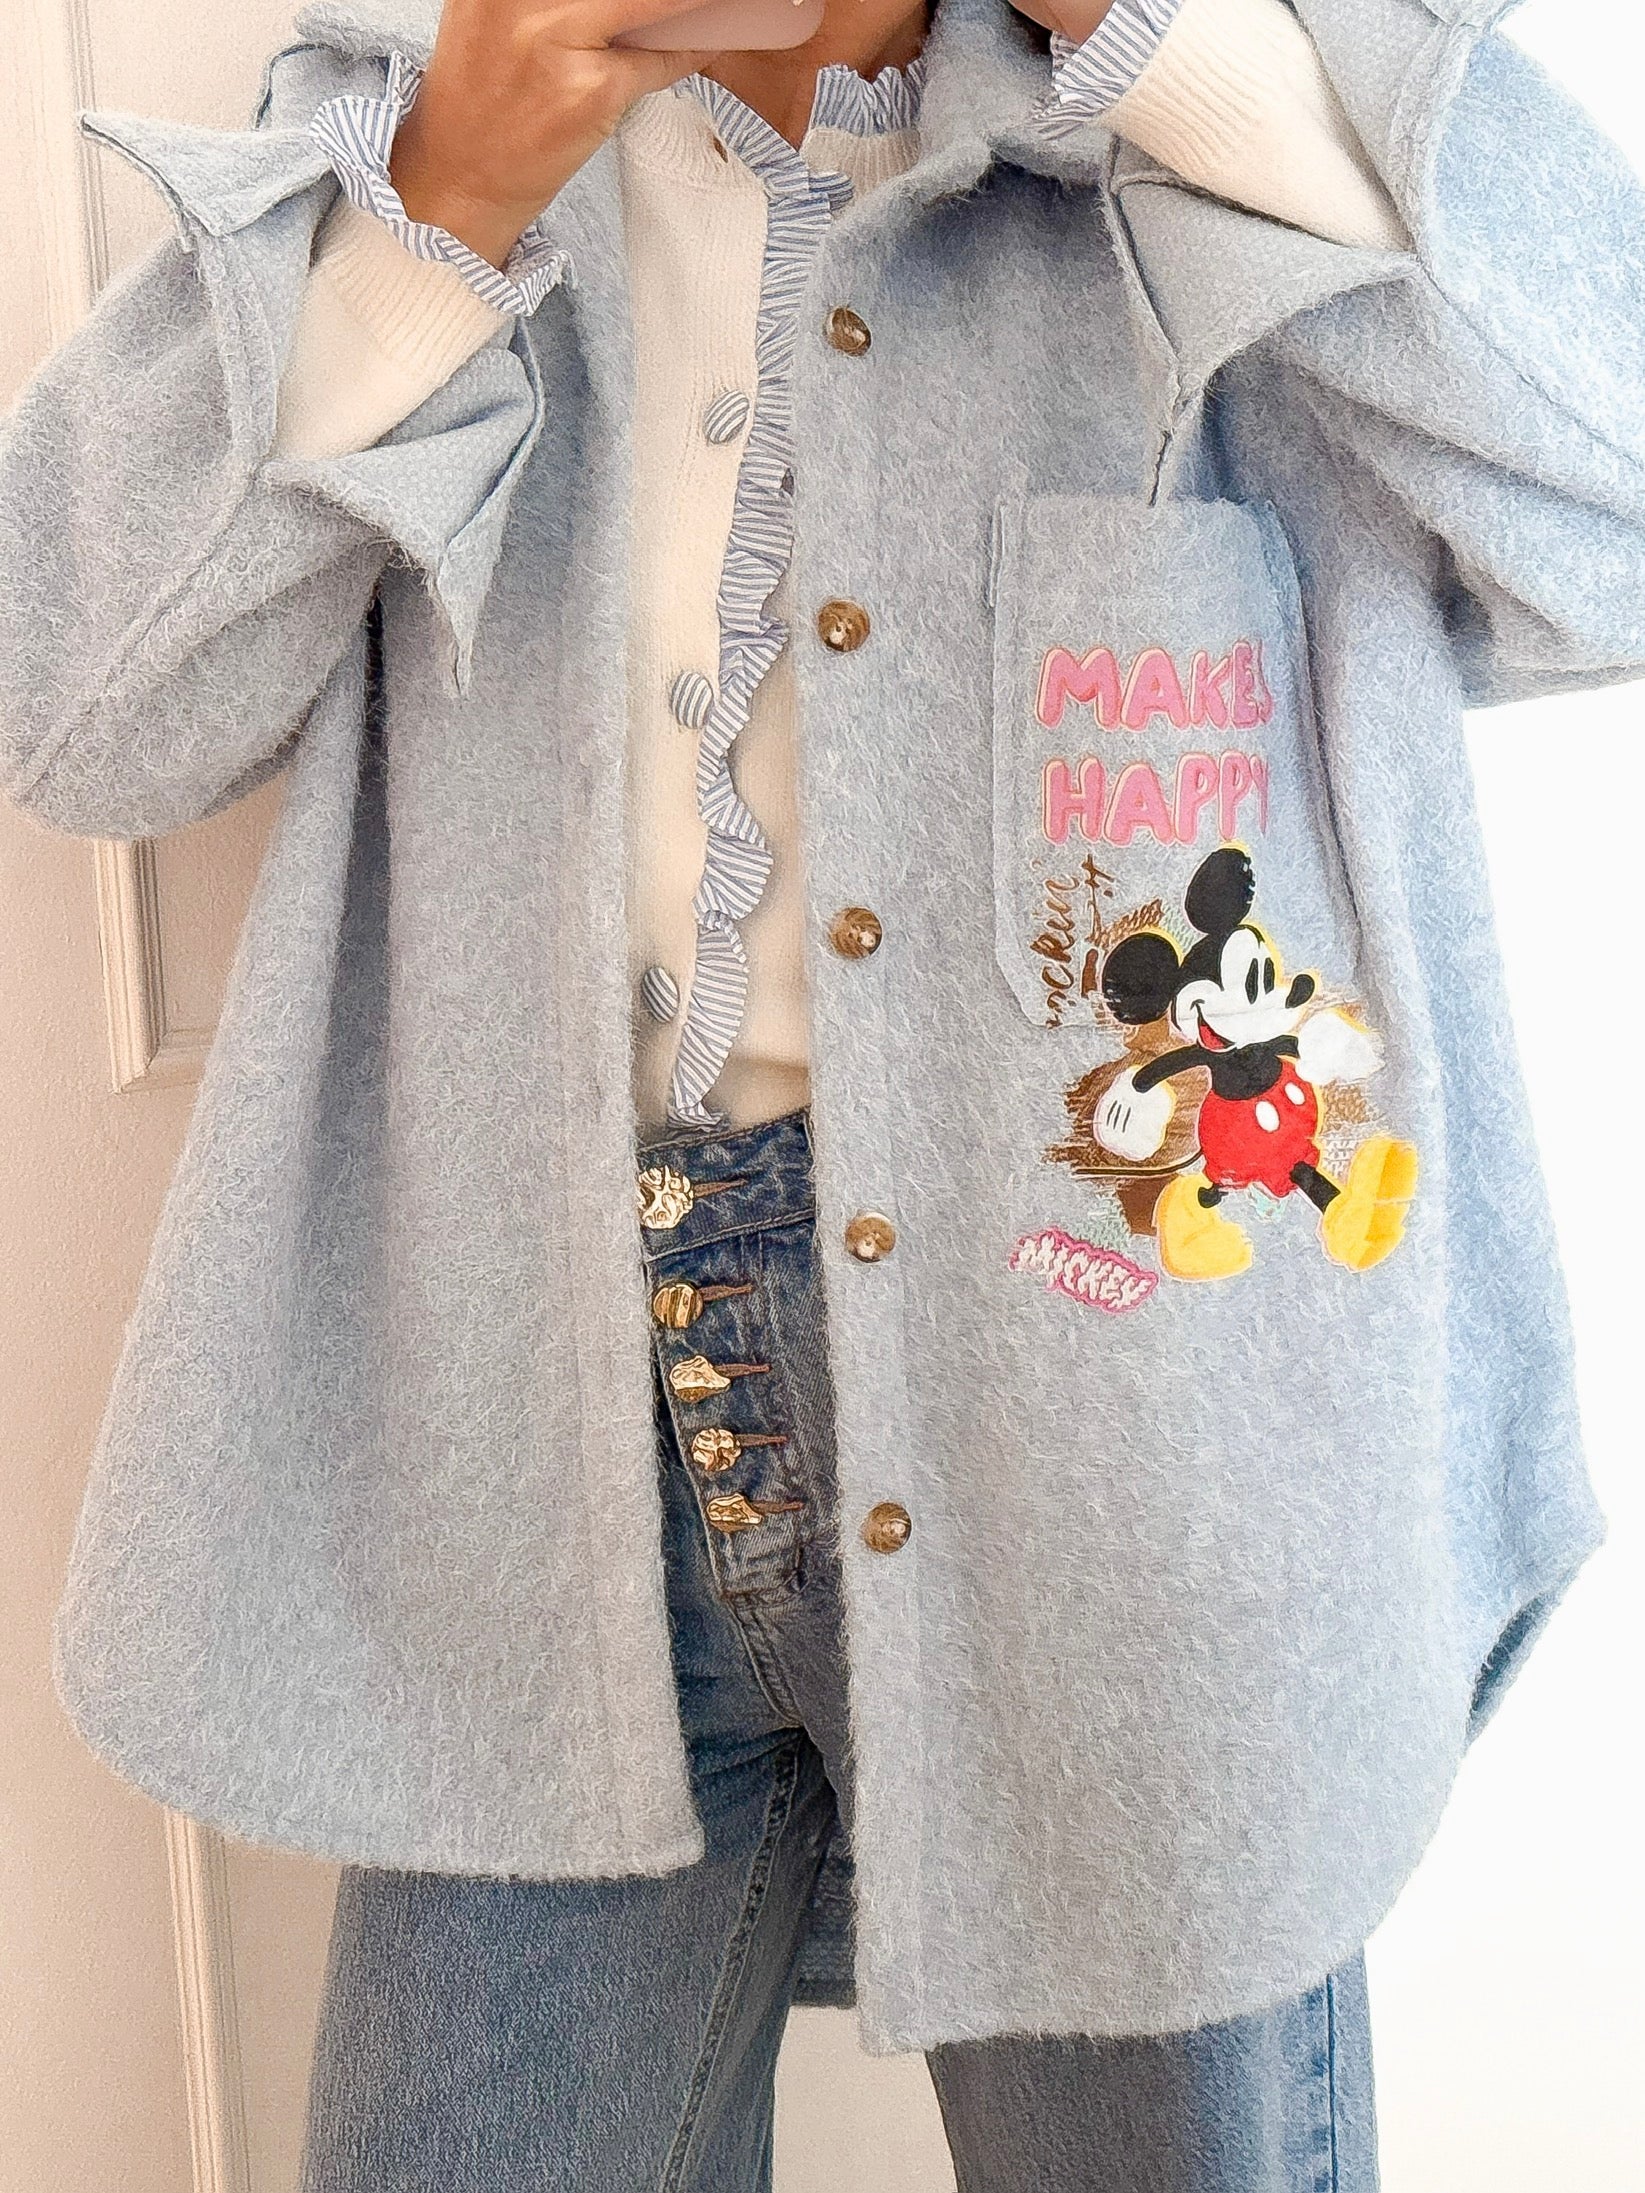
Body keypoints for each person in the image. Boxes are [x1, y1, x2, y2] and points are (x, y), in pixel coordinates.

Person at [4, 0, 1641, 2179]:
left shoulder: (1214, 130)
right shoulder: (415, 134)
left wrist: (1169, 45)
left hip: (1136, 1433)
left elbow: (1610, 510)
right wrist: (447, 200)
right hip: (540, 1452)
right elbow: (72, 704)